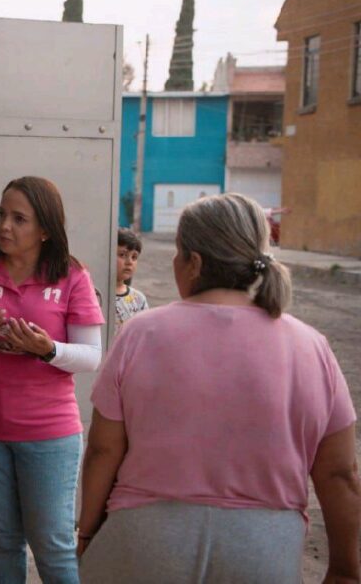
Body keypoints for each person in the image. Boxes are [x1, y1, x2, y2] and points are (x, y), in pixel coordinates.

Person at [78, 193, 360, 583]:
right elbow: (340, 474)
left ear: (194, 262)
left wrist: (88, 531)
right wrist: (346, 569)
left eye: (178, 253)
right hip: (264, 550)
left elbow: (103, 449)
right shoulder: (311, 346)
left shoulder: (140, 333)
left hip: (147, 542)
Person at [0, 176, 105, 583]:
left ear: (45, 230)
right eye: (2, 214)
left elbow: (91, 357)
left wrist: (46, 349)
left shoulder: (72, 276)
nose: (5, 227)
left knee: (52, 544)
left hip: (48, 432)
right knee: (0, 540)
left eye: (19, 218)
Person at [114, 228, 149, 334]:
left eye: (134, 257)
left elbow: (144, 333)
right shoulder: (96, 295)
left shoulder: (139, 299)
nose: (129, 262)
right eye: (122, 255)